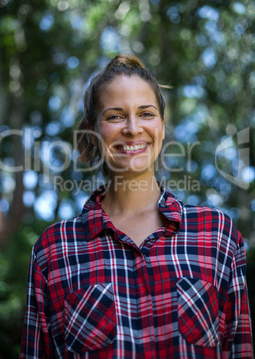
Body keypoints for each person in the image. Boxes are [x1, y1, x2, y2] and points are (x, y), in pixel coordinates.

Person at [20, 55, 253, 358]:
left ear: (163, 126)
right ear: (93, 130)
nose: (132, 128)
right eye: (115, 116)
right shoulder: (54, 250)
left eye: (146, 113)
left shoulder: (218, 234)